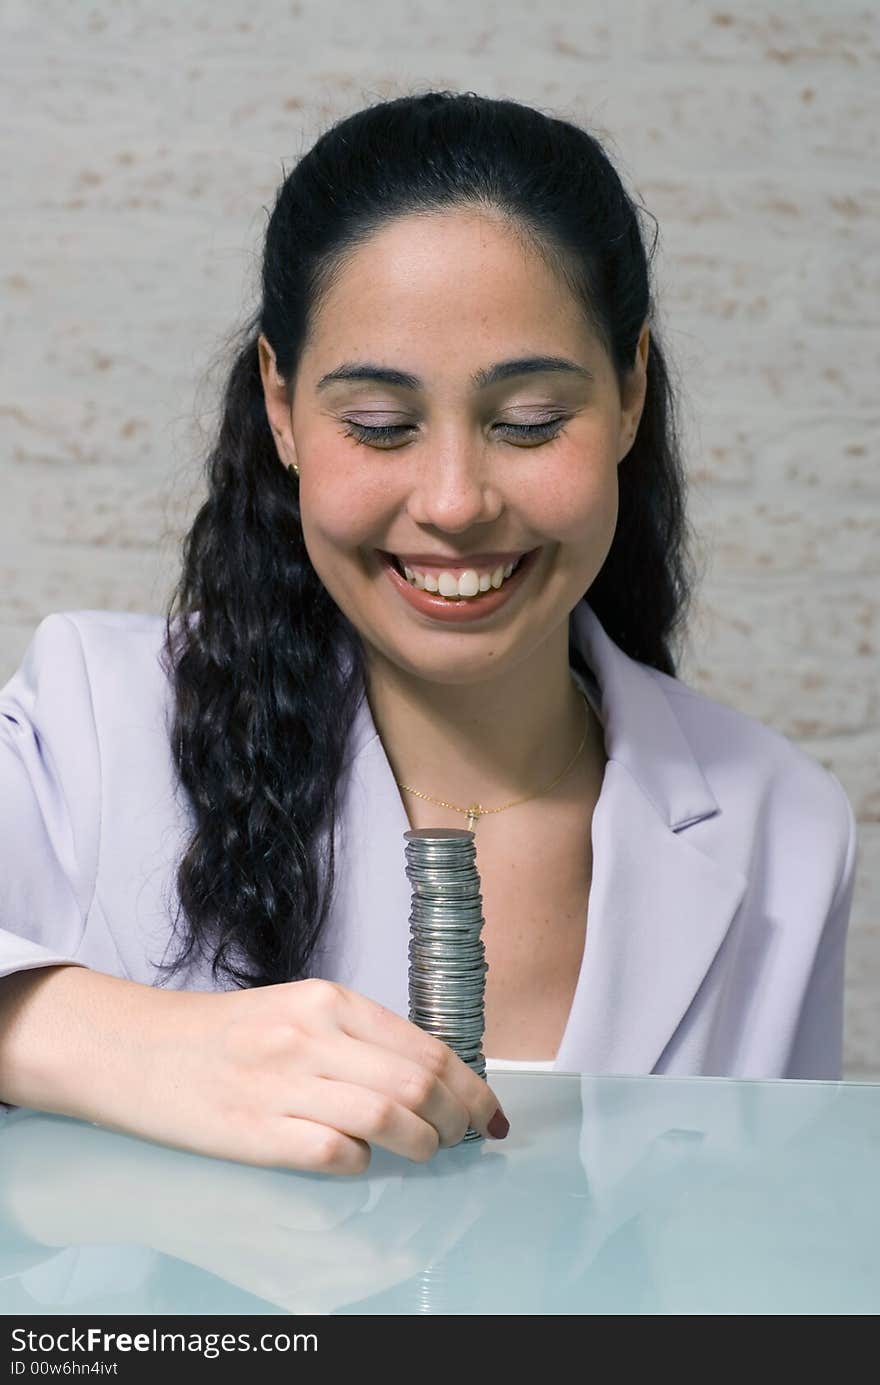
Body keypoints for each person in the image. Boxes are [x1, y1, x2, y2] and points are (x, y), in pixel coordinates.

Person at [0, 91, 858, 1178]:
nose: (455, 500)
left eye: (528, 421)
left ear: (631, 391)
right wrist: (124, 1043)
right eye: (380, 426)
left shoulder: (783, 828)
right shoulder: (94, 718)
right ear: (281, 404)